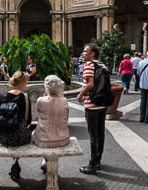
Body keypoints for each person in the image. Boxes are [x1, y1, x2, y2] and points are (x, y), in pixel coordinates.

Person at [76, 44, 108, 175]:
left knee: (93, 135)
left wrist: (80, 94)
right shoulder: (102, 64)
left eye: (85, 51)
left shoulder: (89, 65)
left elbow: (90, 84)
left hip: (92, 104)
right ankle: (98, 160)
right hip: (102, 103)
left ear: (92, 54)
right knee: (101, 133)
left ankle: (92, 165)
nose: (83, 53)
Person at [0, 71, 32, 181]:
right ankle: (16, 161)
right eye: (26, 82)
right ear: (22, 82)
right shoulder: (24, 97)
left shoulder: (3, 96)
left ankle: (15, 161)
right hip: (19, 137)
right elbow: (28, 119)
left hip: (4, 137)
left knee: (13, 131)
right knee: (23, 131)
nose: (27, 84)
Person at [33, 75, 70, 173]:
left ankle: (45, 160)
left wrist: (46, 95)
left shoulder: (41, 100)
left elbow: (39, 111)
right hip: (63, 139)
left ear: (46, 88)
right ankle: (48, 162)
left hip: (43, 140)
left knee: (34, 133)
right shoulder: (65, 101)